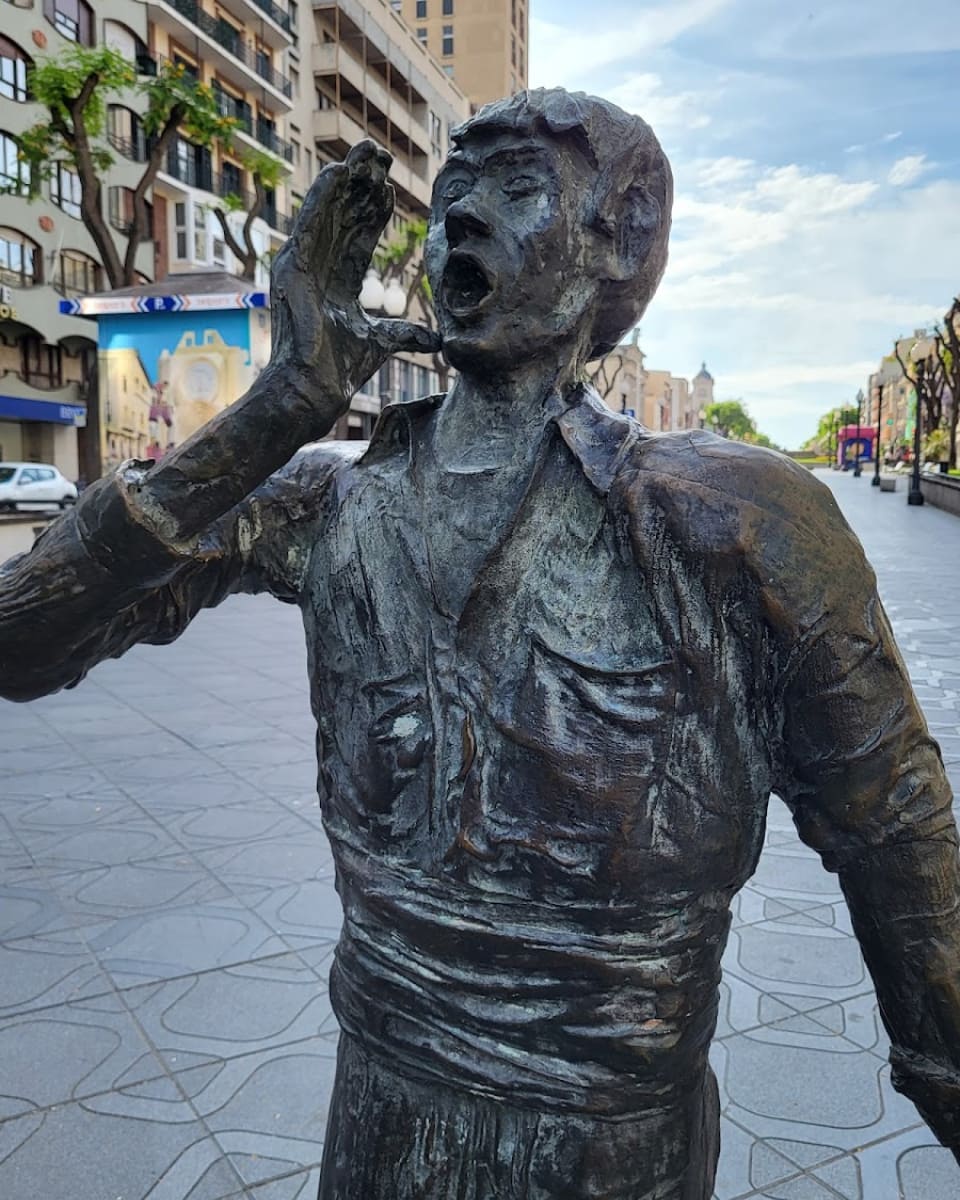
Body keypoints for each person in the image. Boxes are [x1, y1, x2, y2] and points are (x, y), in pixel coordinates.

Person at [1, 89, 959, 1200]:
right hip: (378, 1116)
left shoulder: (732, 520)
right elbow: (23, 643)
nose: (461, 216)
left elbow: (895, 832)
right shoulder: (325, 503)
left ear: (622, 239)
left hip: (608, 1151)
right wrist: (287, 401)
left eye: (515, 188)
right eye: (454, 190)